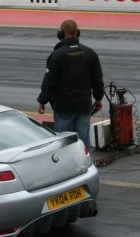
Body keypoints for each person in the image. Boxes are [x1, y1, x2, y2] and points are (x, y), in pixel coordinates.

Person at [36, 19, 105, 149]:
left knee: (62, 140)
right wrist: (98, 98)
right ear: (77, 33)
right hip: (84, 105)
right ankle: (85, 163)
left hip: (64, 107)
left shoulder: (56, 55)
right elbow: (97, 79)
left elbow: (49, 82)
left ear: (60, 34)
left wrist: (42, 101)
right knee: (83, 136)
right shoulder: (90, 53)